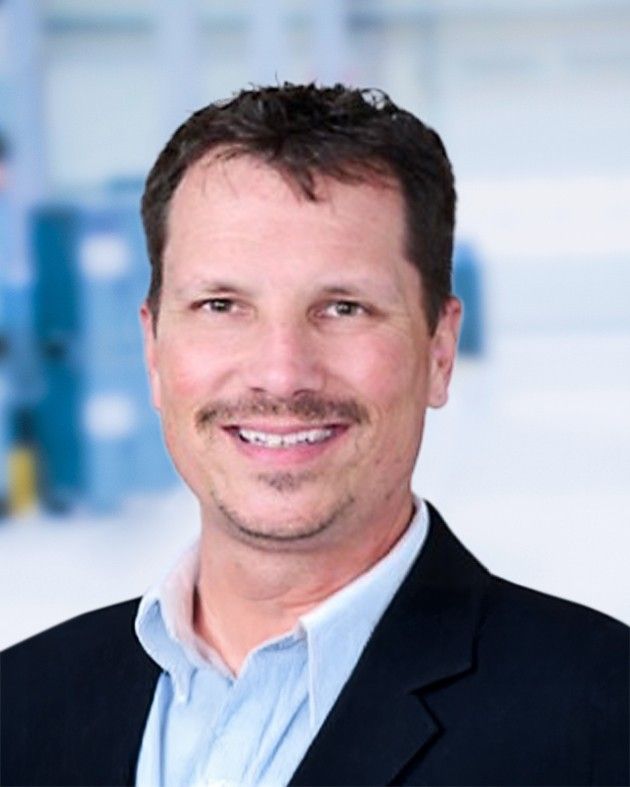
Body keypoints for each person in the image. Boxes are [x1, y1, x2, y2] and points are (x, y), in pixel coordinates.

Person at [1, 83, 628, 787]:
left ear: (439, 351)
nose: (280, 373)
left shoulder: (603, 720)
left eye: (342, 307)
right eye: (220, 305)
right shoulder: (20, 703)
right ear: (153, 350)